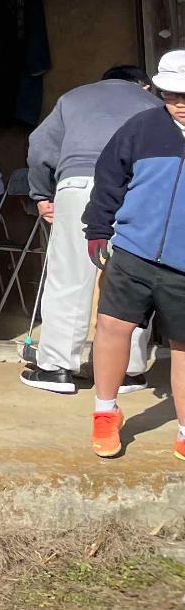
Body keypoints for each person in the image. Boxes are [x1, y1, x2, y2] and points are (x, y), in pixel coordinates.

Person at [23, 65, 156, 394]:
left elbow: (40, 146)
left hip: (79, 183)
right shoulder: (153, 104)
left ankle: (55, 369)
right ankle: (129, 371)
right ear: (143, 85)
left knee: (69, 273)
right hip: (137, 185)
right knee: (133, 275)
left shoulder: (73, 98)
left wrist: (42, 195)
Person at [84, 48, 185, 462]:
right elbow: (108, 179)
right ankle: (105, 412)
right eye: (171, 94)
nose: (179, 102)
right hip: (134, 251)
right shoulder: (141, 128)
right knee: (111, 327)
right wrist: (98, 228)